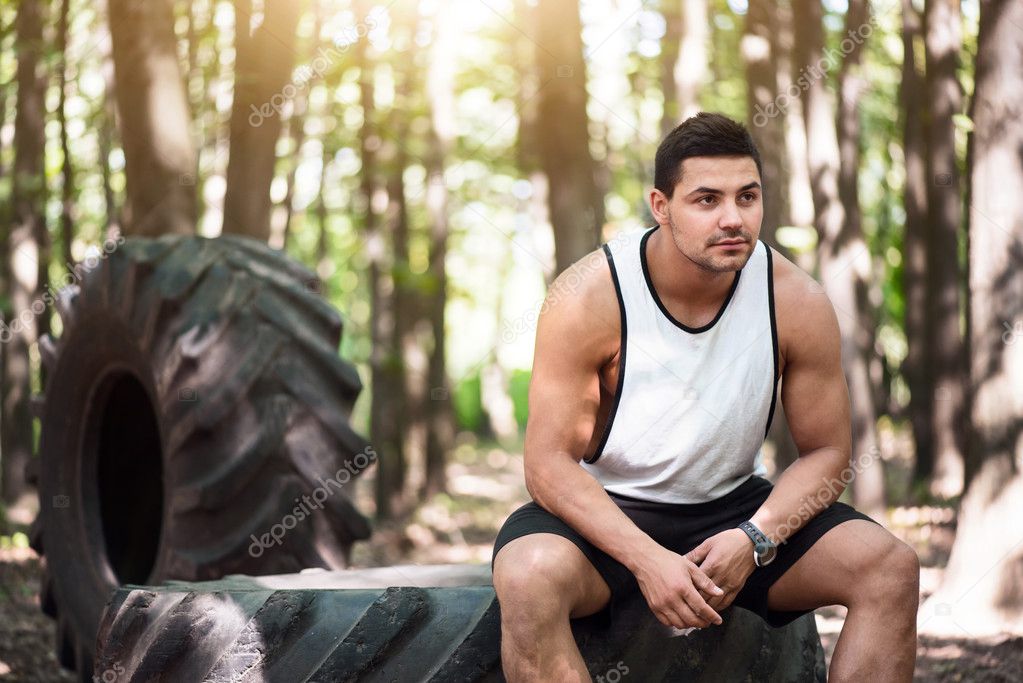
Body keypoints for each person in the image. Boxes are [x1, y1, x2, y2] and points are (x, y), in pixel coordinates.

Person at [490, 112, 919, 683]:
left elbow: (826, 454)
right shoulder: (589, 296)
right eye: (707, 200)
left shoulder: (796, 301)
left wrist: (755, 538)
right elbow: (546, 465)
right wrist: (647, 561)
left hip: (734, 510)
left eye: (747, 197)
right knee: (526, 575)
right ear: (661, 206)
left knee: (890, 567)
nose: (733, 219)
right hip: (607, 515)